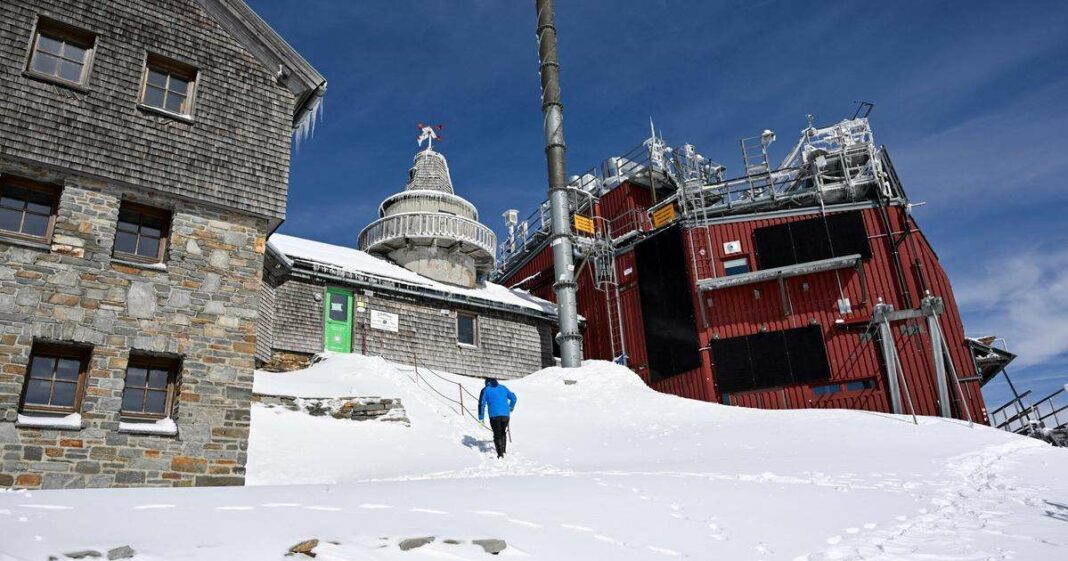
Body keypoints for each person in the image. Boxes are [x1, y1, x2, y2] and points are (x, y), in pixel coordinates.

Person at [478, 377, 517, 458]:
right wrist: (511, 407)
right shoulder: (503, 388)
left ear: (487, 382)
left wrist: (481, 418)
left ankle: (500, 455)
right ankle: (503, 451)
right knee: (503, 432)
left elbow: (482, 404)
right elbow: (513, 397)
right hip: (506, 415)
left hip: (494, 415)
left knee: (497, 434)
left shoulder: (485, 390)